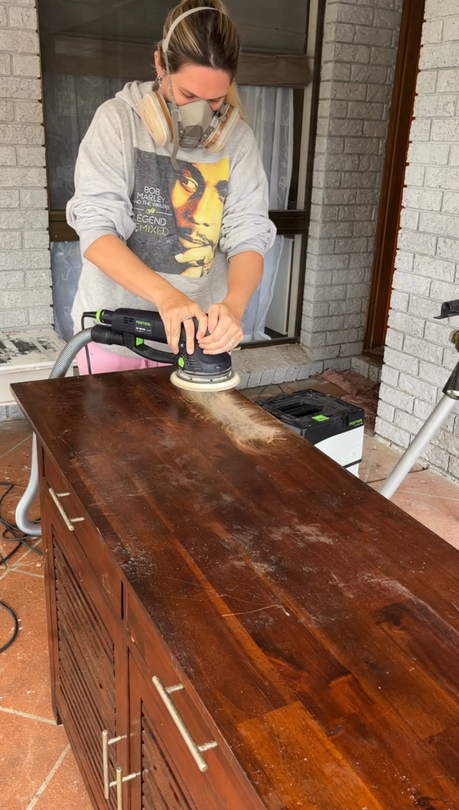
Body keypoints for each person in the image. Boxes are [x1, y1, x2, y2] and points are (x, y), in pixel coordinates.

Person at [66, 0, 276, 374]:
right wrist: (166, 295)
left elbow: (249, 233)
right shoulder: (117, 122)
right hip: (113, 335)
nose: (202, 113)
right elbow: (97, 230)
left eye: (215, 99)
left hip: (197, 342)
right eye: (188, 95)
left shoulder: (238, 140)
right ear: (160, 65)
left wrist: (234, 306)